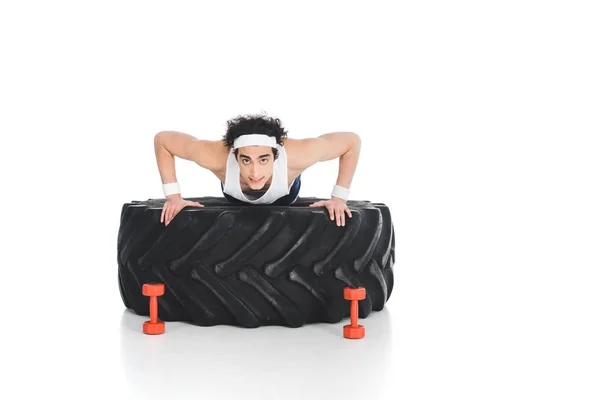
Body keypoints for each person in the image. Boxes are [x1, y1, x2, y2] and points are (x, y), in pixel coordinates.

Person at [154, 112, 361, 227]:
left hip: (287, 194)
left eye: (263, 160)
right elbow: (163, 140)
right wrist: (173, 197)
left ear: (275, 154)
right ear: (234, 154)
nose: (254, 173)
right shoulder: (215, 156)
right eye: (245, 160)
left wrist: (339, 198)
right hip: (235, 196)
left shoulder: (300, 154)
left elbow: (351, 142)